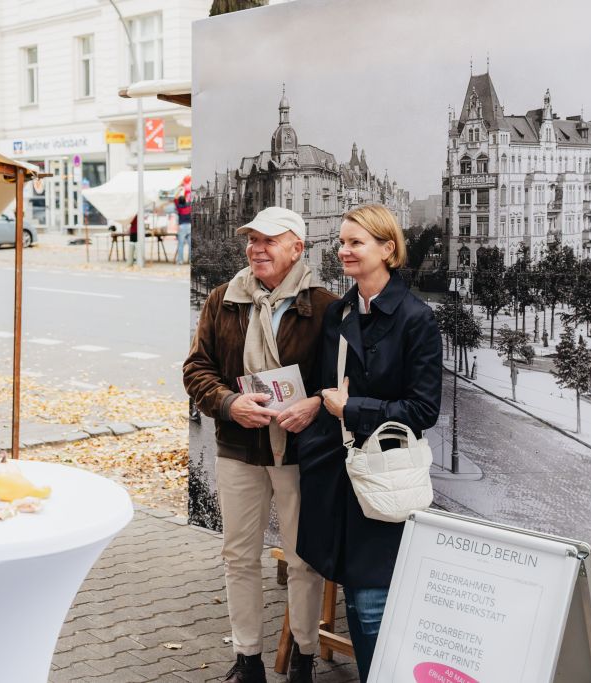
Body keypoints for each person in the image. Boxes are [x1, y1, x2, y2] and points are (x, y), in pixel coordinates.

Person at [184, 206, 335, 683]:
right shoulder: (222, 299)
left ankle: (304, 661)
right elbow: (196, 370)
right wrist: (229, 404)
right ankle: (248, 659)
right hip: (240, 447)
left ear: (298, 247)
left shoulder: (326, 307)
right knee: (239, 555)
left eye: (269, 240)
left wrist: (312, 404)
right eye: (252, 240)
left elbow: (340, 383)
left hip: (297, 450)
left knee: (303, 559)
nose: (256, 248)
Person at [295, 204, 442, 682]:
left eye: (355, 242)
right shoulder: (338, 312)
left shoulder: (417, 318)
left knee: (372, 597)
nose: (343, 250)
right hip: (336, 474)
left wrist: (352, 409)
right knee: (351, 592)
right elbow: (325, 386)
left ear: (388, 249)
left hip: (381, 476)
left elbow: (423, 411)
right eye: (341, 242)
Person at [175, 175, 192, 264]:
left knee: (181, 244)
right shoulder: (189, 206)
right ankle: (190, 260)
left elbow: (175, 197)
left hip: (182, 227)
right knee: (190, 244)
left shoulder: (179, 208)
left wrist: (180, 188)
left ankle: (180, 261)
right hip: (189, 226)